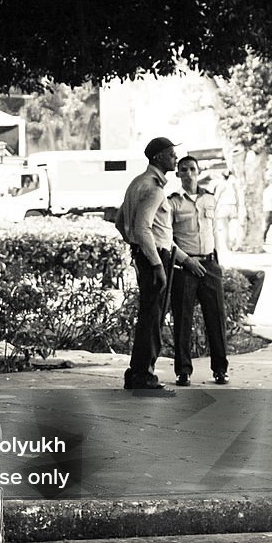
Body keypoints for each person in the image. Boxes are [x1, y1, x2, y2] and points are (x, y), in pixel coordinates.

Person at [115, 137, 205, 394]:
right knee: (153, 320)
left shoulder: (137, 183)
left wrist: (138, 247)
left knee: (148, 317)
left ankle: (136, 373)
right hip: (156, 259)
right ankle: (145, 377)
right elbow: (143, 229)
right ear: (158, 158)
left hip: (148, 255)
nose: (176, 159)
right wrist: (155, 263)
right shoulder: (153, 189)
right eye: (171, 154)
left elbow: (122, 223)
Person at [168, 156, 229, 386]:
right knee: (183, 320)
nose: (188, 173)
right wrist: (185, 261)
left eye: (192, 169)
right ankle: (183, 371)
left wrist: (218, 262)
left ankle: (220, 370)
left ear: (198, 171)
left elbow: (214, 232)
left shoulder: (210, 199)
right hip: (185, 267)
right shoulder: (172, 203)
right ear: (178, 174)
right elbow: (167, 238)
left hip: (210, 265)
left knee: (216, 319)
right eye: (183, 170)